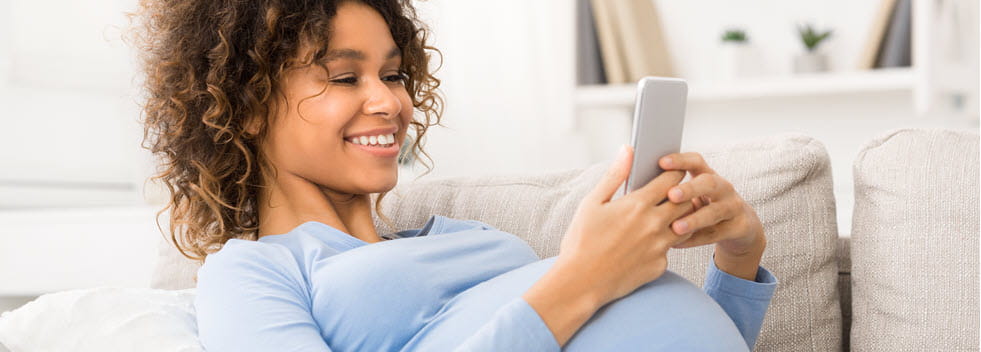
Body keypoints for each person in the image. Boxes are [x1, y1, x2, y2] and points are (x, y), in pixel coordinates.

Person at [132, 0, 777, 351]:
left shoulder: (464, 235)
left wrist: (739, 259)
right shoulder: (253, 270)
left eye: (393, 74)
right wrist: (584, 278)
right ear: (245, 105)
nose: (389, 101)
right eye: (345, 76)